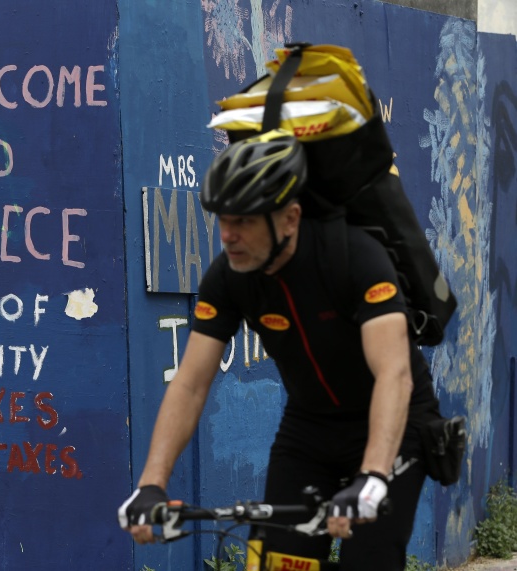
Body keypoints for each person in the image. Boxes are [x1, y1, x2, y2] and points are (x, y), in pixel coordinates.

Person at [118, 129, 441, 571]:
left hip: (395, 422)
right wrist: (152, 483)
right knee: (277, 562)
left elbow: (395, 374)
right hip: (309, 427)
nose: (228, 236)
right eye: (222, 219)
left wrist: (372, 477)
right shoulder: (229, 278)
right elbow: (191, 383)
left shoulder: (354, 258)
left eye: (245, 221)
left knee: (369, 559)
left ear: (290, 218)